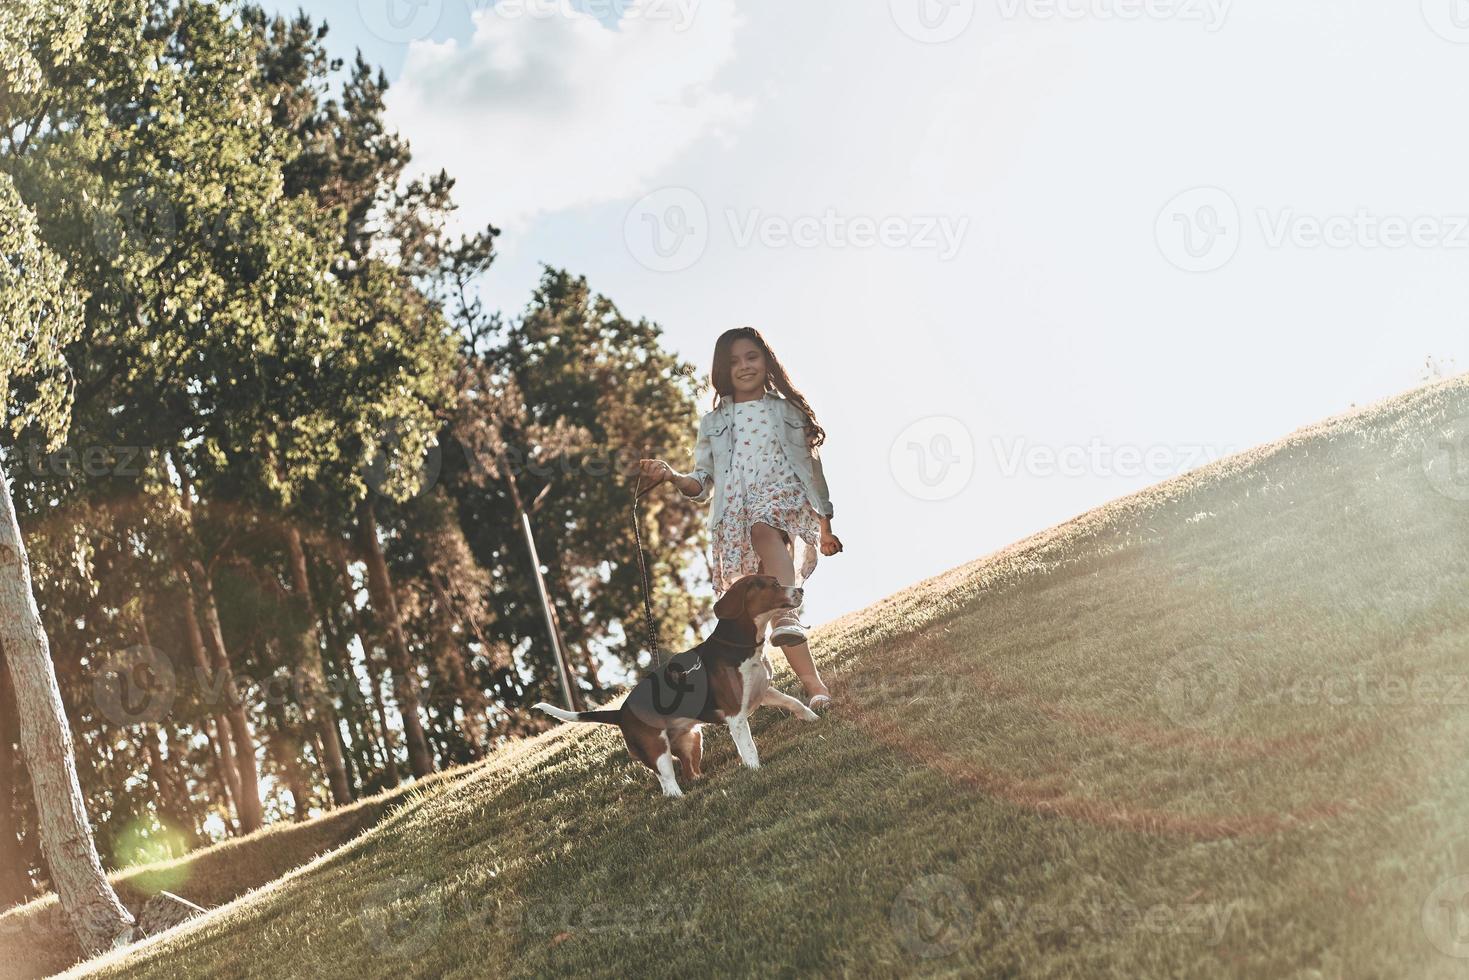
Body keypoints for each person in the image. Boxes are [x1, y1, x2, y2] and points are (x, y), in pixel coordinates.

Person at [639, 327, 843, 710]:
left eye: (751, 356)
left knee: (764, 530)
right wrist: (671, 475)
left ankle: (787, 616)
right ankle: (814, 688)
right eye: (733, 361)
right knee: (754, 610)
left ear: (766, 360)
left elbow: (812, 470)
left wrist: (826, 525)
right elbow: (701, 483)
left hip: (781, 497)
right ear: (721, 370)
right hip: (734, 514)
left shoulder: (787, 411)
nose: (744, 366)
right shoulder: (713, 423)